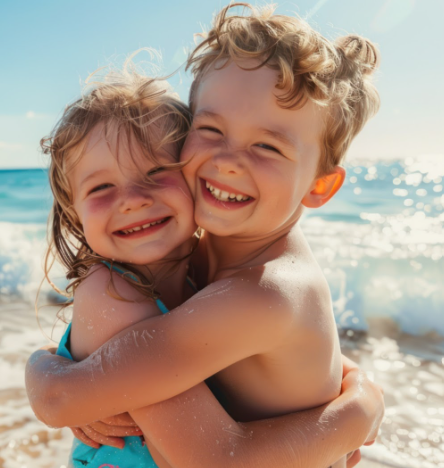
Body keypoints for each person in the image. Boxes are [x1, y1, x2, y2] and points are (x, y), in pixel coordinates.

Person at [26, 4, 383, 468]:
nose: (229, 160)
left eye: (267, 146)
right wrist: (360, 396)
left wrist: (357, 416)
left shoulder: (265, 292)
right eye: (211, 129)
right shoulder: (197, 258)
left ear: (319, 185)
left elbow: (217, 457)